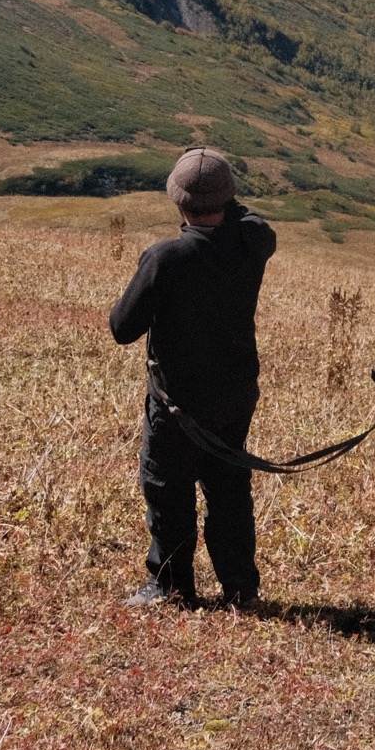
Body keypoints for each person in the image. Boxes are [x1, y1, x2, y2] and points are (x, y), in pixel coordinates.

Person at [109, 147, 276, 608]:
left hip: (178, 403)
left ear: (177, 201)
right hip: (235, 395)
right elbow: (253, 219)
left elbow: (122, 328)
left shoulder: (166, 258)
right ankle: (242, 589)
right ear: (228, 199)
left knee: (167, 487)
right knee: (229, 487)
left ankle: (170, 586)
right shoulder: (254, 243)